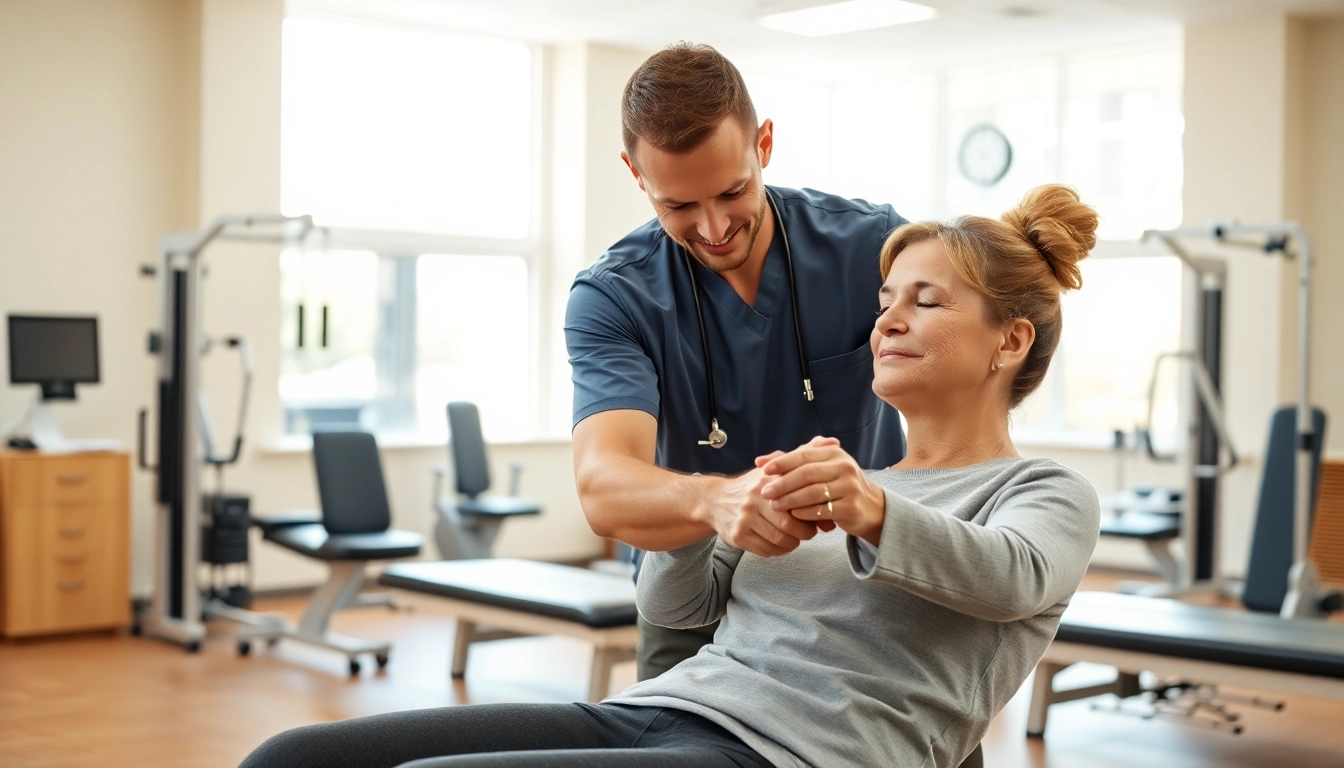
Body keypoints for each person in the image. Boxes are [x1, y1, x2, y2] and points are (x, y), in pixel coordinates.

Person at [239, 183, 1103, 767]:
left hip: (792, 753)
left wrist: (873, 508)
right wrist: (715, 518)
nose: (888, 322)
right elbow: (675, 612)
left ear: (1010, 339)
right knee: (295, 759)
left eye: (926, 301)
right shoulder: (839, 481)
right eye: (884, 303)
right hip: (670, 707)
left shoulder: (1041, 495)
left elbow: (1008, 577)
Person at [566, 41, 905, 685]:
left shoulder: (873, 245)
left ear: (765, 145)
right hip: (695, 601)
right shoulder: (614, 296)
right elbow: (602, 485)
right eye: (679, 206)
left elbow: (967, 370)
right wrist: (716, 502)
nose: (715, 227)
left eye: (733, 191)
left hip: (859, 583)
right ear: (636, 174)